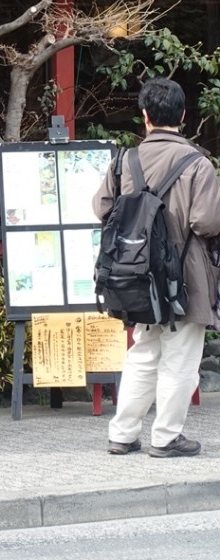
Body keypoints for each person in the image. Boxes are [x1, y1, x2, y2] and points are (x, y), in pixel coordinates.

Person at [92, 77, 220, 458]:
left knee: (143, 352)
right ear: (182, 115)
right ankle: (166, 437)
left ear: (145, 116)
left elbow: (101, 209)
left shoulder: (125, 161)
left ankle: (122, 433)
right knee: (180, 357)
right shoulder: (198, 164)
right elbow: (206, 223)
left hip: (138, 275)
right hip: (186, 277)